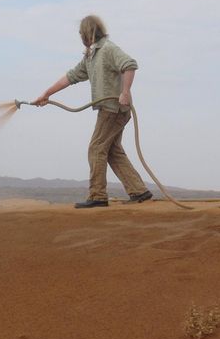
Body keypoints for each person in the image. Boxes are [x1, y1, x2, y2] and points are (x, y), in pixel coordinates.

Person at [32, 15, 152, 208]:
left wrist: (125, 92)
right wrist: (46, 93)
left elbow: (129, 64)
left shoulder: (108, 49)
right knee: (112, 150)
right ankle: (139, 191)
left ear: (88, 32)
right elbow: (71, 76)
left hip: (113, 109)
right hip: (110, 109)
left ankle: (97, 195)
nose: (80, 36)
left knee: (96, 148)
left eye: (81, 32)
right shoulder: (90, 56)